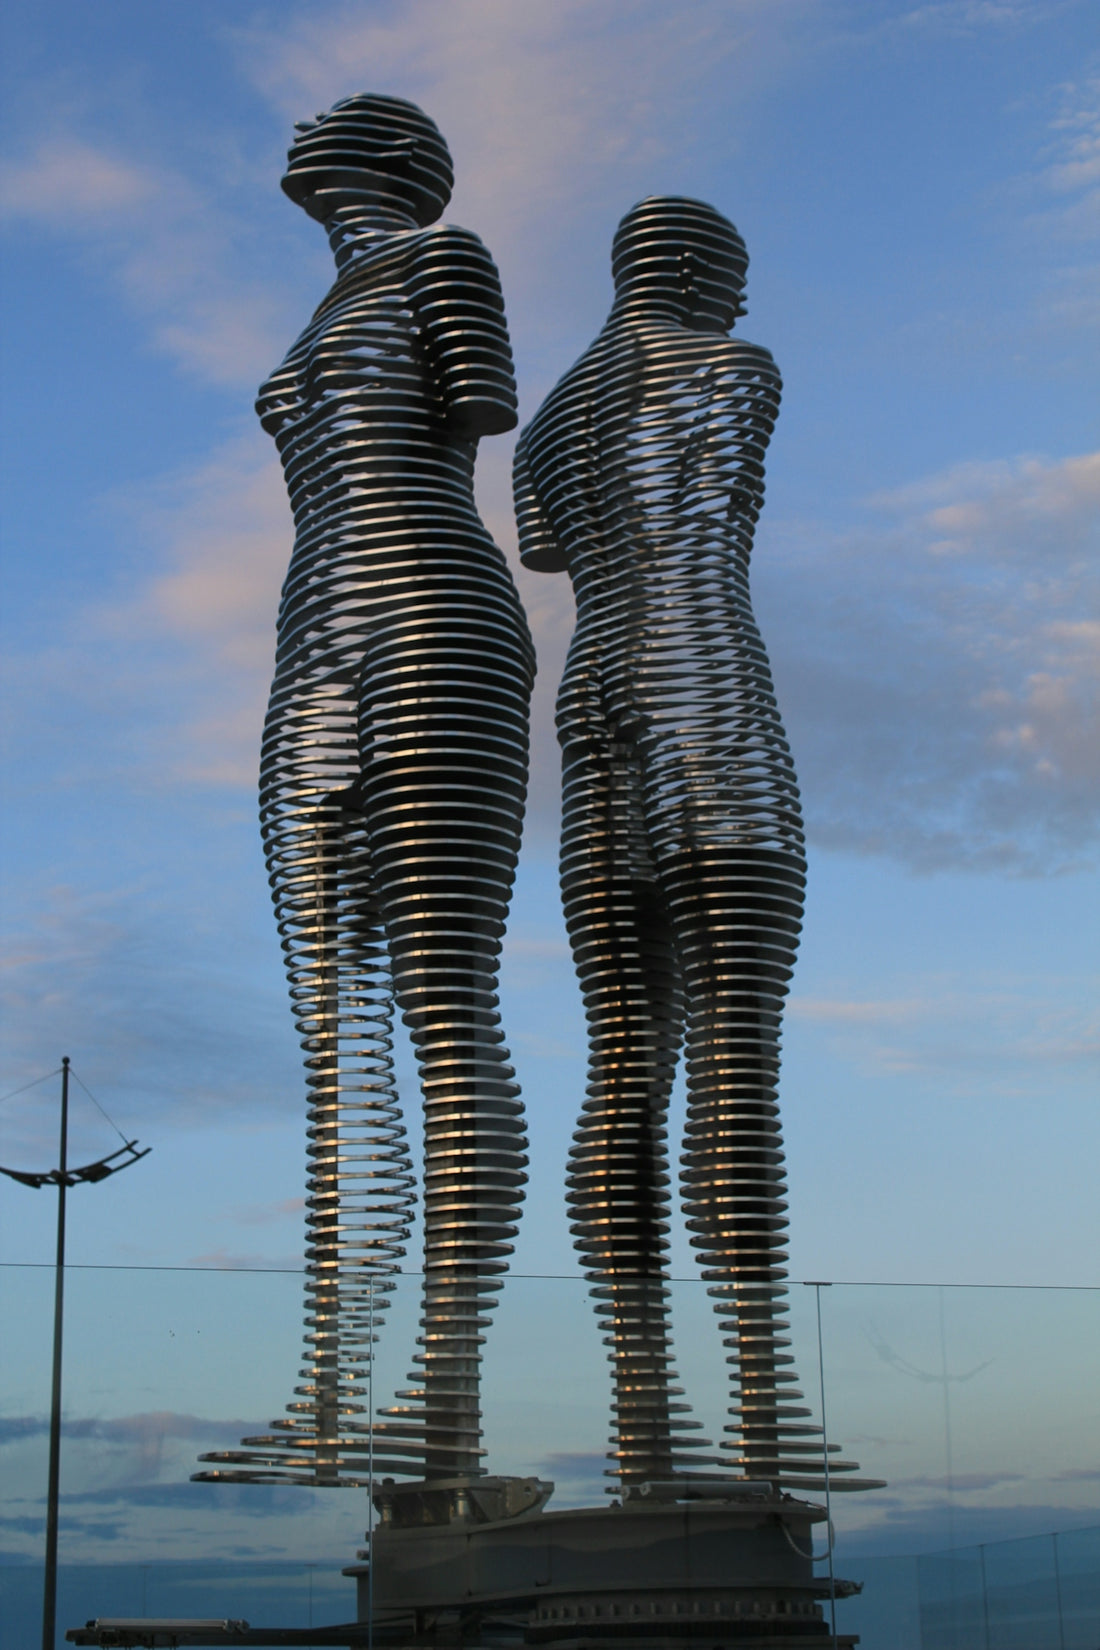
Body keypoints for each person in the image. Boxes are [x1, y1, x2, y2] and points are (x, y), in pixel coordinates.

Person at [515, 196, 857, 1493]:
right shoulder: (734, 369)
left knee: (620, 1059)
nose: (746, 307)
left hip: (592, 699)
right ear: (707, 270)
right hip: (708, 693)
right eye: (738, 278)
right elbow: (723, 518)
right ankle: (765, 1407)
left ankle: (646, 1422)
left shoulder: (544, 417)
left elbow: (546, 548)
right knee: (734, 1044)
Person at [243, 95, 533, 1485]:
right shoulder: (323, 309)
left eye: (338, 115)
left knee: (438, 999)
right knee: (331, 1034)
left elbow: (486, 413)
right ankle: (325, 1387)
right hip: (311, 641)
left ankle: (444, 1398)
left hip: (432, 617)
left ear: (402, 159)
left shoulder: (444, 257)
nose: (305, 121)